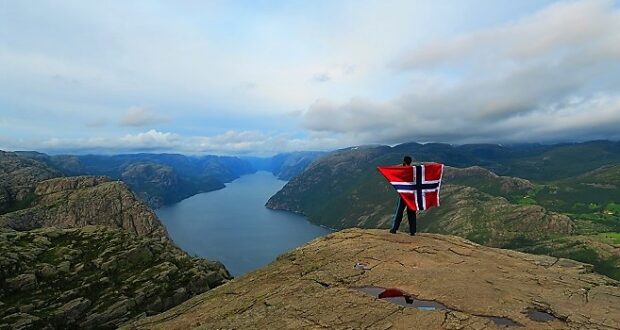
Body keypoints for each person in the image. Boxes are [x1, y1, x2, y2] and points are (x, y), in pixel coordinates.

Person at [389, 155, 417, 235]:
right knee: (411, 213)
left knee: (399, 212)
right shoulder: (414, 170)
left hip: (404, 194)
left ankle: (394, 229)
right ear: (410, 162)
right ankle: (412, 231)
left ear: (404, 161)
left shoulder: (402, 170)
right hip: (412, 194)